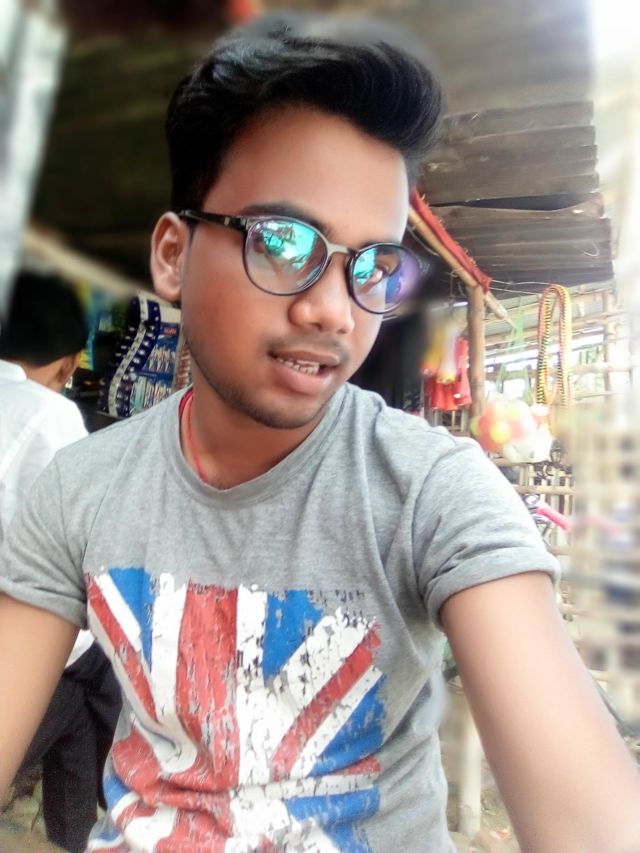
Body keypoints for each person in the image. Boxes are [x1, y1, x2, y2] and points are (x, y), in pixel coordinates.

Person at [0, 14, 639, 852]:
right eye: (283, 241)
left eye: (373, 265)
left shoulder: (429, 493)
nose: (333, 310)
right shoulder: (80, 489)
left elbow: (591, 817)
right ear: (172, 255)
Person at [0, 272, 122, 852]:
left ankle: (76, 832)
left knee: (79, 720)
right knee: (97, 676)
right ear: (70, 363)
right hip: (34, 641)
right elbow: (90, 541)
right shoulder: (49, 414)